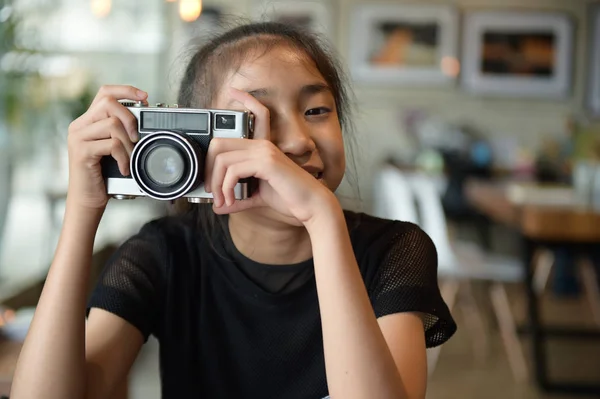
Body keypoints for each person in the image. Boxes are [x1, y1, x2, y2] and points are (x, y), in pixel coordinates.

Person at [10, 22, 456, 399]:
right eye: (254, 119)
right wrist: (83, 207)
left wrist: (323, 221)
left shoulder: (395, 251)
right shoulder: (165, 255)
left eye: (317, 109)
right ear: (198, 144)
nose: (299, 141)